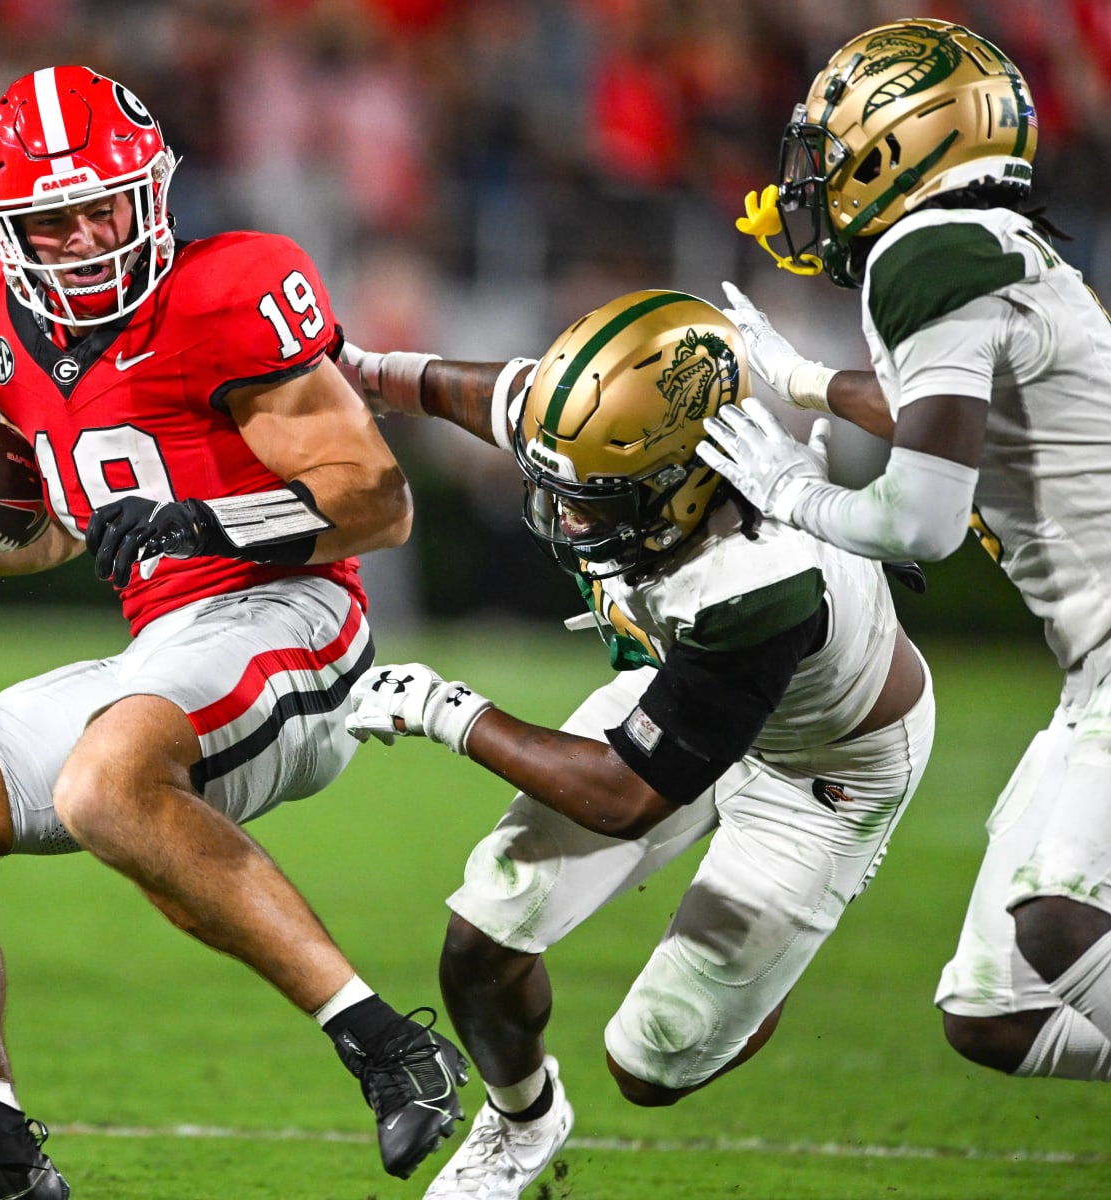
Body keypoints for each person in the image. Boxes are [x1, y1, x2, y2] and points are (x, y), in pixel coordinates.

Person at [0, 65, 465, 1200]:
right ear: (6, 230)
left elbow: (379, 502)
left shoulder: (233, 287)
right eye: (55, 219)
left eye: (105, 206)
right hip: (166, 643)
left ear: (152, 192)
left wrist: (200, 517)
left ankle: (390, 1047)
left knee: (104, 784)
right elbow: (84, 532)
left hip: (299, 614)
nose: (86, 236)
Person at [340, 289, 933, 1198]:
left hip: (824, 768)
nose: (568, 518)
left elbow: (625, 792)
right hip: (687, 683)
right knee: (483, 933)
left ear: (692, 475)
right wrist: (372, 375)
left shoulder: (762, 574)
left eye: (593, 499)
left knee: (650, 1065)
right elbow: (495, 395)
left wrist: (444, 709)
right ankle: (523, 1123)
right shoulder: (613, 429)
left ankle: (760, 979)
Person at [696, 18, 1111, 1083]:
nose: (810, 181)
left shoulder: (925, 251)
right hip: (1091, 670)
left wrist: (789, 486)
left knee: (1063, 927)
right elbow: (947, 416)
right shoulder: (981, 246)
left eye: (829, 154)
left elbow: (923, 520)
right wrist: (803, 383)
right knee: (997, 1013)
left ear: (900, 146)